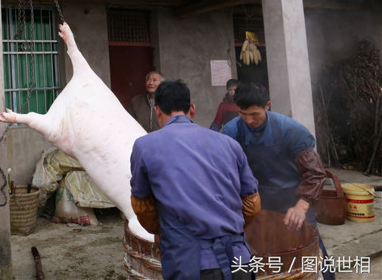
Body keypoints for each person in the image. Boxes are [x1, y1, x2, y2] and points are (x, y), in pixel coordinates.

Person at [130, 80, 261, 280]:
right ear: (192, 109)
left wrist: (162, 230)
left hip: (190, 264)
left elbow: (142, 206)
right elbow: (252, 204)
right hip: (239, 260)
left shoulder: (145, 146)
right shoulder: (229, 144)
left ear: (157, 111)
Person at [221, 83, 333, 280]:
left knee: (311, 250)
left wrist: (302, 205)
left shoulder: (291, 130)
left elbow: (314, 173)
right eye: (242, 114)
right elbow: (224, 173)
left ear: (267, 105)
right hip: (253, 200)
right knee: (253, 252)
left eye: (254, 114)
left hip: (290, 198)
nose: (248, 120)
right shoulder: (231, 132)